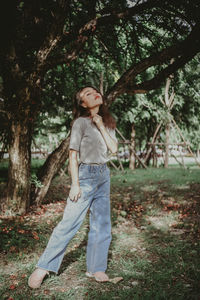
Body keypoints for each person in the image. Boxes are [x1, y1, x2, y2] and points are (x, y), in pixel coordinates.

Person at [28, 86, 118, 288]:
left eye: (94, 90)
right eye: (87, 93)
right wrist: (75, 184)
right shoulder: (79, 123)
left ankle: (97, 268)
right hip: (85, 175)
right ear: (83, 104)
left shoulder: (108, 122)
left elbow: (113, 149)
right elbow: (72, 155)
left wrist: (101, 125)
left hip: (104, 175)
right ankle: (43, 267)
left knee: (102, 224)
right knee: (69, 222)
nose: (94, 93)